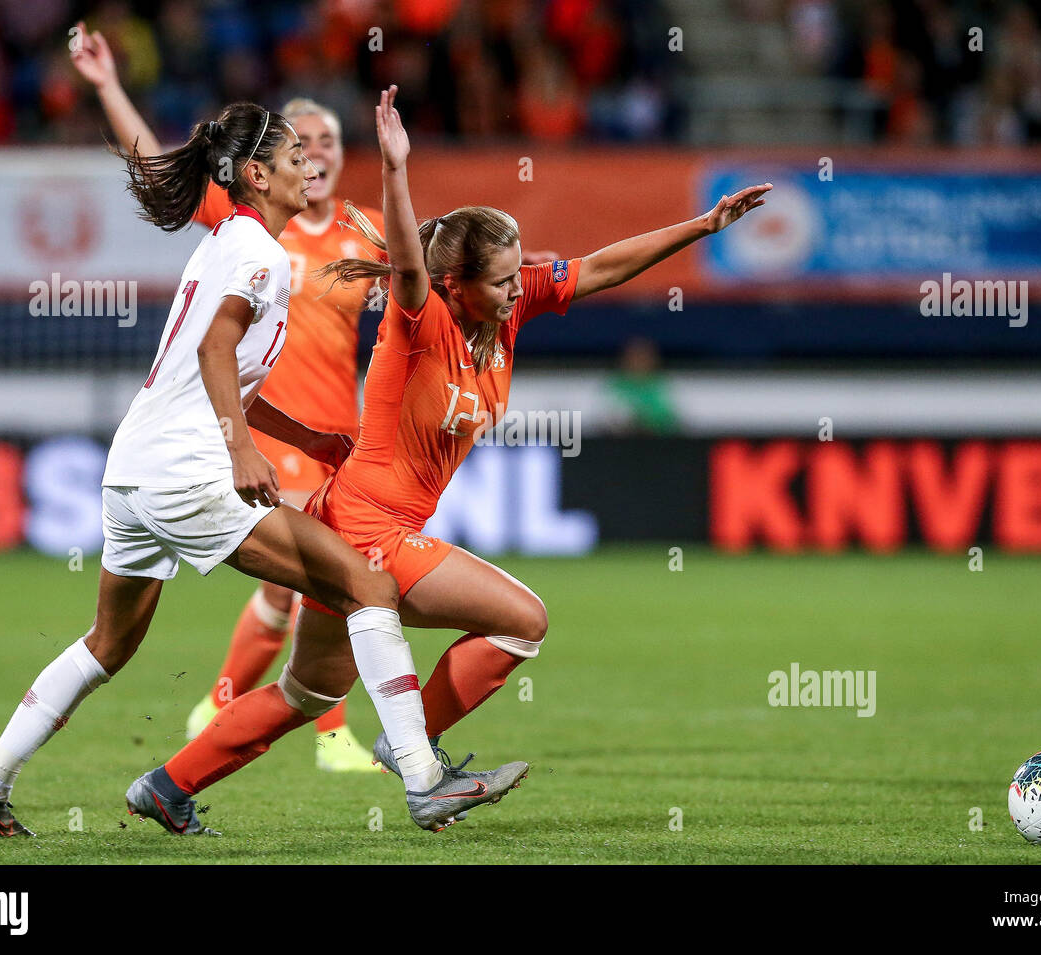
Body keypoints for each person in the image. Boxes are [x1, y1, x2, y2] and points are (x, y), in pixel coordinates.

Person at [130, 86, 771, 828]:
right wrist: (397, 172)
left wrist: (705, 224)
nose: (515, 288)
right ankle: (416, 752)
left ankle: (165, 784)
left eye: (515, 276)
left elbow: (598, 268)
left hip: (353, 518)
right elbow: (406, 261)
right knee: (522, 620)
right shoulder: (420, 317)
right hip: (370, 526)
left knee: (307, 695)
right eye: (500, 280)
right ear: (454, 284)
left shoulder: (511, 308)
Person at [0, 99, 527, 838]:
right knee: (368, 582)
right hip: (190, 471)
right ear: (256, 174)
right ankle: (422, 775)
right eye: (293, 159)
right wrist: (240, 448)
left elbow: (224, 373)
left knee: (108, 643)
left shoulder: (227, 241)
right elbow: (214, 351)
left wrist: (305, 437)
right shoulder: (259, 254)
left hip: (132, 469)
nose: (308, 167)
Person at [68, 22, 558, 770]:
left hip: (337, 438)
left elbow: (421, 266)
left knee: (316, 611)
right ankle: (346, 737)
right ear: (267, 167)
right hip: (265, 436)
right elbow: (162, 165)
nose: (317, 151)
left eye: (326, 139)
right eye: (302, 143)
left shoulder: (362, 240)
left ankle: (252, 723)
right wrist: (106, 86)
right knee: (321, 591)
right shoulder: (251, 230)